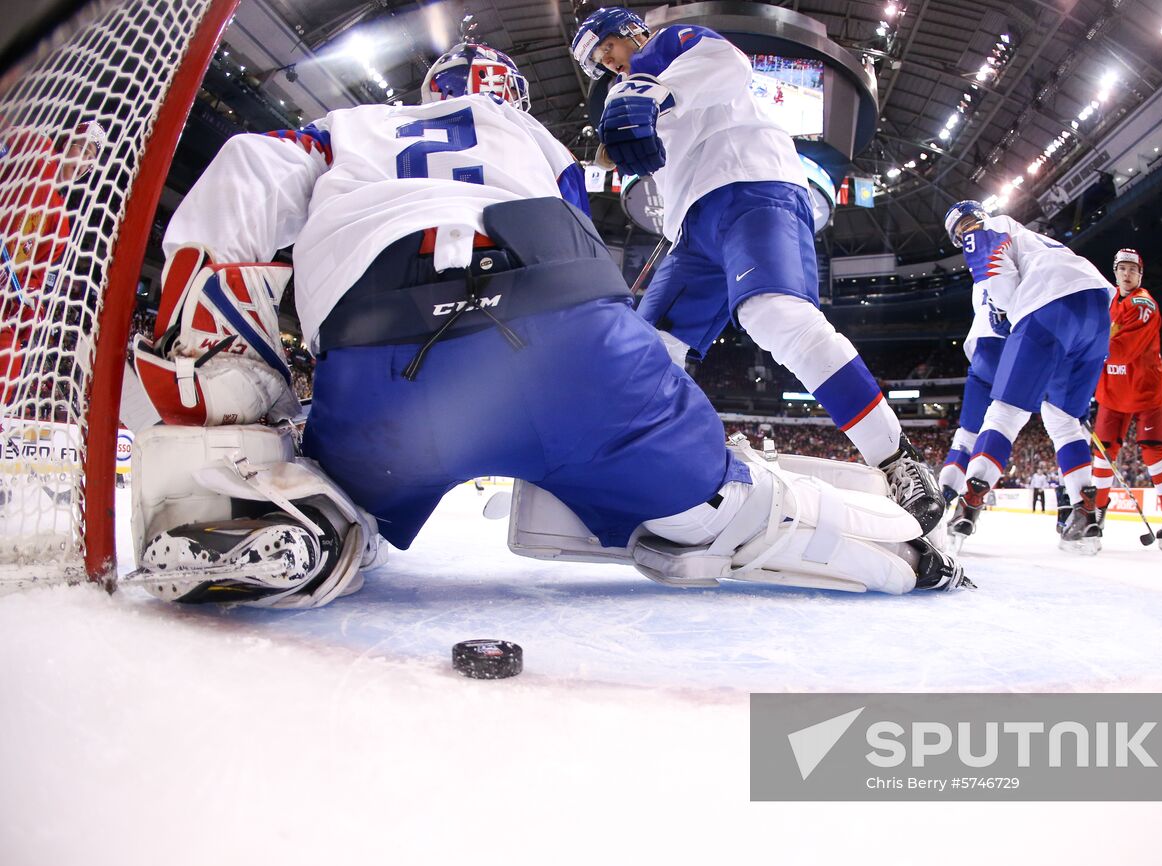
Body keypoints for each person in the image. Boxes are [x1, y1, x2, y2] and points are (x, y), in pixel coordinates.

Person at [126, 41, 971, 608]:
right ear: (514, 98)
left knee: (356, 507)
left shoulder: (349, 128)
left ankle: (310, 524)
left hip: (385, 359)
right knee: (720, 513)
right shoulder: (537, 138)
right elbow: (579, 247)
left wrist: (230, 366)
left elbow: (243, 170)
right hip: (562, 338)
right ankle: (903, 554)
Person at [570, 7, 946, 536]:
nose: (608, 62)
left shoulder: (667, 47)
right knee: (648, 351)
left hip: (752, 183)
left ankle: (896, 458)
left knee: (774, 315)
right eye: (599, 61)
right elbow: (625, 154)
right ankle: (645, 470)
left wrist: (654, 96)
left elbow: (729, 63)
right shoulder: (624, 91)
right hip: (689, 225)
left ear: (629, 31)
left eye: (606, 47)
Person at [941, 200, 1112, 554]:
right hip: (1097, 307)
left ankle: (970, 501)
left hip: (1046, 306)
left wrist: (1006, 309)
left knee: (1004, 413)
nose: (966, 235)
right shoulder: (1032, 238)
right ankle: (1086, 513)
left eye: (963, 230)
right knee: (1063, 420)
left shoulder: (987, 230)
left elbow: (996, 276)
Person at [1, 120, 106, 406]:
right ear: (64, 144)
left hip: (2, 302)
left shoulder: (60, 222)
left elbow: (34, 281)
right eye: (81, 149)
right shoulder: (37, 149)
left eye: (91, 158)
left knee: (9, 357)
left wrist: (31, 305)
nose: (84, 162)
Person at [1089, 248, 1162, 549]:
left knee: (1154, 454)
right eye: (1122, 269)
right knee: (1102, 458)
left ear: (1140, 275)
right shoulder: (1108, 301)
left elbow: (1122, 351)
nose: (1127, 274)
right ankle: (1096, 516)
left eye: (1133, 269)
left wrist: (1083, 348)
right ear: (1115, 273)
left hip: (1145, 392)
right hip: (1112, 393)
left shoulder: (1145, 305)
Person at [937, 282, 1006, 540]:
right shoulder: (1032, 258)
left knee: (967, 434)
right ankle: (971, 503)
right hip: (1019, 347)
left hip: (983, 349)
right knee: (1002, 423)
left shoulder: (982, 273)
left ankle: (941, 500)